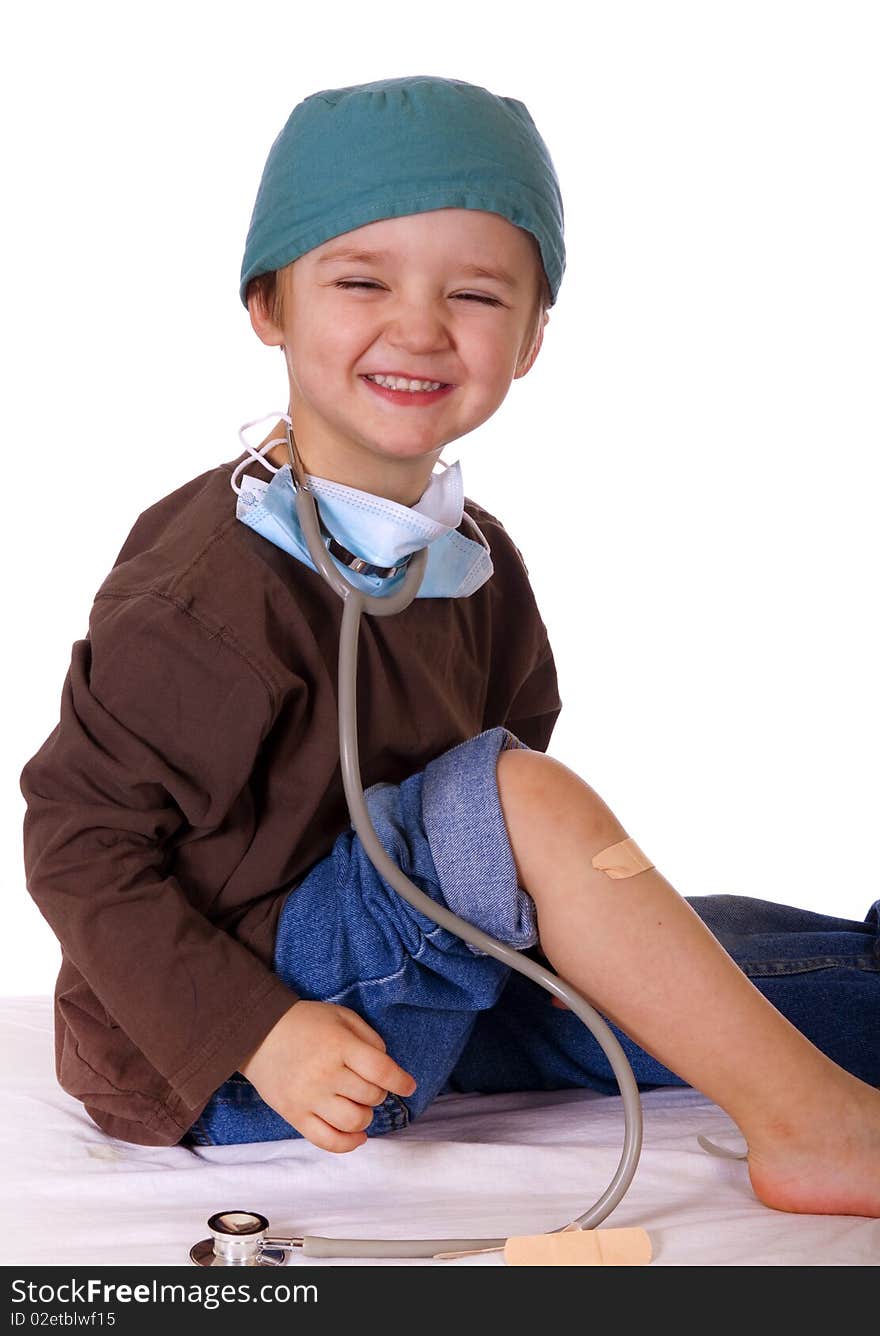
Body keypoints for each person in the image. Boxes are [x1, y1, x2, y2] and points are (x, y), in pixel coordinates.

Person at [20, 75, 879, 1220]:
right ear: (268, 306)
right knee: (519, 803)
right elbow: (79, 844)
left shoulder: (474, 560)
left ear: (528, 339)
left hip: (415, 970)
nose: (419, 327)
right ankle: (814, 1134)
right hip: (237, 1054)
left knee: (728, 962)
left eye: (476, 295)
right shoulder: (206, 593)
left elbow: (510, 791)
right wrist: (259, 1031)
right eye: (361, 280)